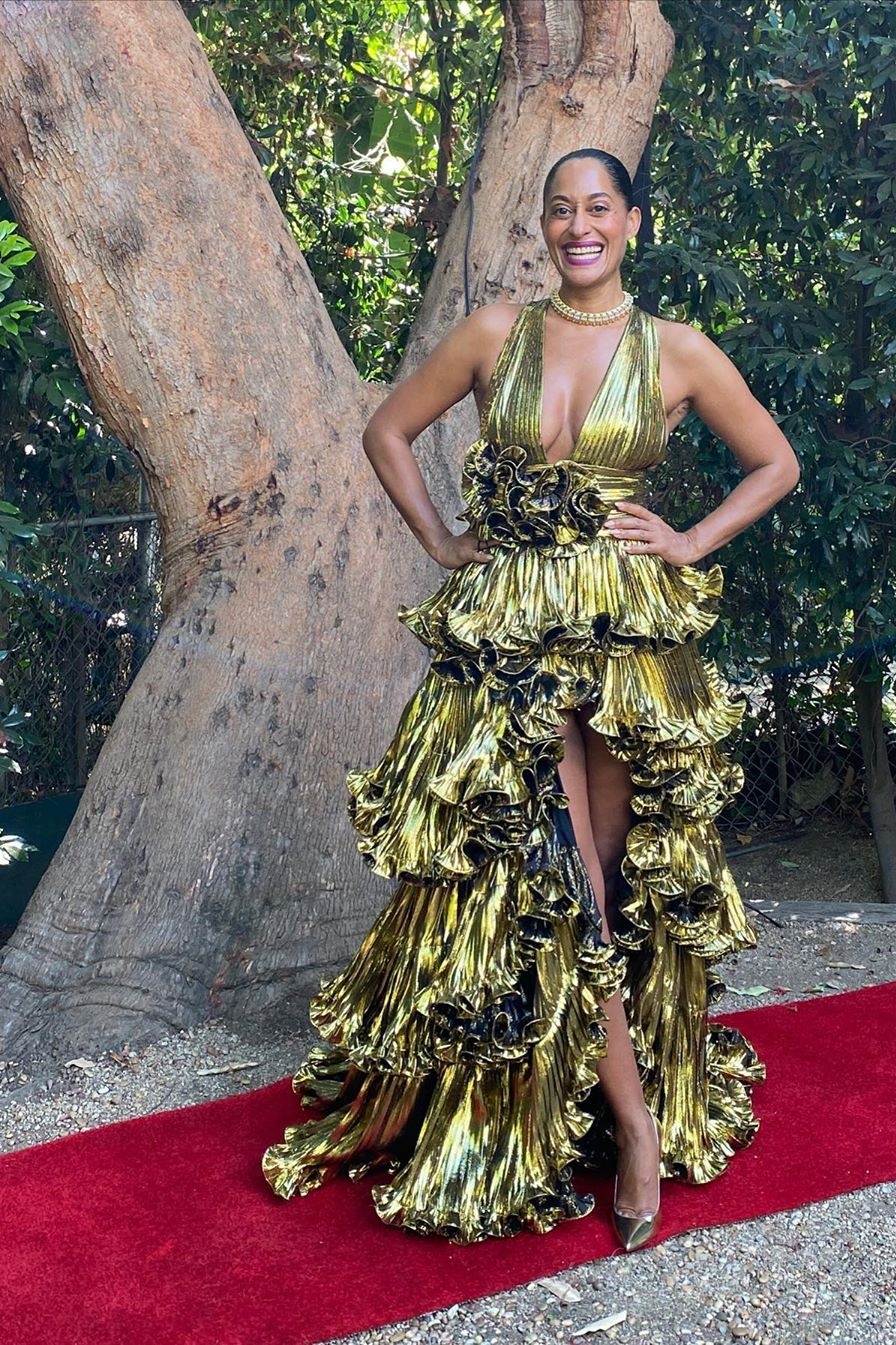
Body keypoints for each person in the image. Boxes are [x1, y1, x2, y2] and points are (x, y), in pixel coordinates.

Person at [262, 147, 800, 1251]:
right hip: (510, 634)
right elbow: (386, 430)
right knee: (553, 872)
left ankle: (586, 1104)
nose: (578, 227)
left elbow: (775, 462)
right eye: (560, 211)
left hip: (622, 638)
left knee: (601, 881)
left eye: (598, 208)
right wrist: (444, 542)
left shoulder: (681, 351)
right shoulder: (494, 334)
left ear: (632, 223)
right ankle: (637, 1128)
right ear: (544, 229)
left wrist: (690, 538)